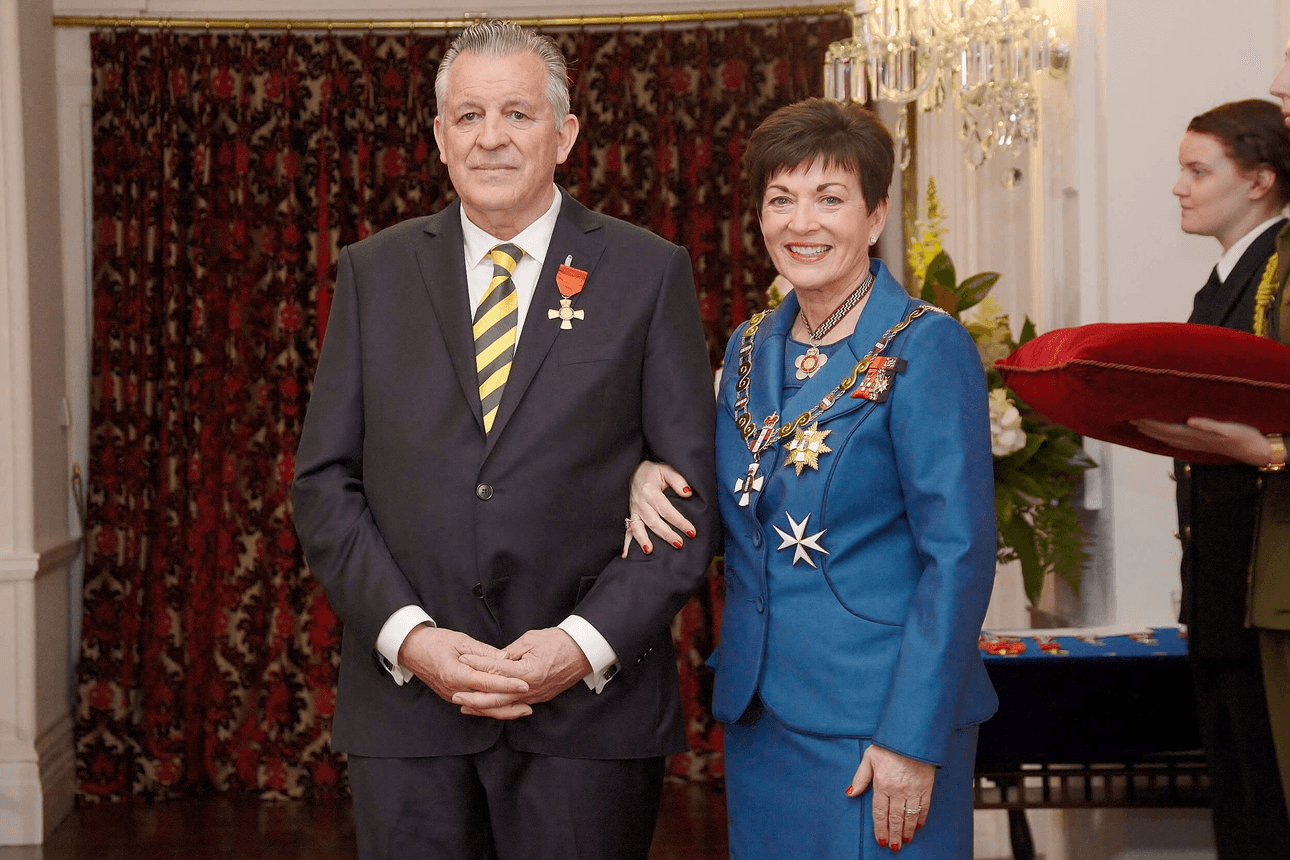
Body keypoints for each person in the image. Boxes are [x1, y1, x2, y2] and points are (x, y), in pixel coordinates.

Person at [291, 20, 719, 860]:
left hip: (588, 715)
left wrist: (578, 647)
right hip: (410, 712)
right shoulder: (371, 275)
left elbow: (687, 498)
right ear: (440, 138)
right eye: (469, 116)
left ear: (564, 135)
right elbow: (324, 484)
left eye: (518, 113)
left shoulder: (648, 270)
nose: (491, 137)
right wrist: (412, 638)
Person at [627, 98, 997, 859]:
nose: (803, 223)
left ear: (876, 214)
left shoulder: (927, 348)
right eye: (780, 200)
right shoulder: (748, 345)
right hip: (763, 713)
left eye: (830, 199)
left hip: (880, 722)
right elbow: (722, 491)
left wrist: (911, 739)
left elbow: (957, 557)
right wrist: (646, 474)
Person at [1135, 68, 1290, 843]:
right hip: (1222, 592)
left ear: (1259, 180)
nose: (1179, 188)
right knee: (1238, 801)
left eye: (1199, 171)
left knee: (1267, 803)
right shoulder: (1224, 281)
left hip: (1265, 592)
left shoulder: (1275, 277)